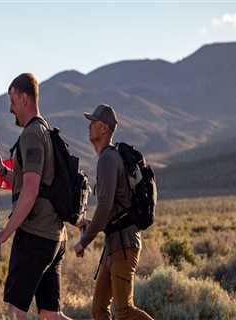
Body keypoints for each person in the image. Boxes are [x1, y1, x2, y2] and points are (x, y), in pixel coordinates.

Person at [0, 73, 71, 320]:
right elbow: (33, 181)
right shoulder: (44, 131)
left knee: (16, 311)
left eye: (12, 100)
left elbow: (31, 190)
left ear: (24, 98)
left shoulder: (32, 135)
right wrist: (4, 171)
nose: (10, 108)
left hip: (35, 236)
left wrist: (5, 233)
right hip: (54, 236)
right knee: (50, 314)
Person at [74, 104, 154, 320]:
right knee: (99, 310)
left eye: (93, 123)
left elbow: (106, 206)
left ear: (103, 128)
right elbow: (111, 210)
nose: (89, 126)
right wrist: (91, 224)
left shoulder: (108, 159)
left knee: (125, 311)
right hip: (114, 245)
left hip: (123, 245)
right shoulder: (107, 158)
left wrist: (85, 241)